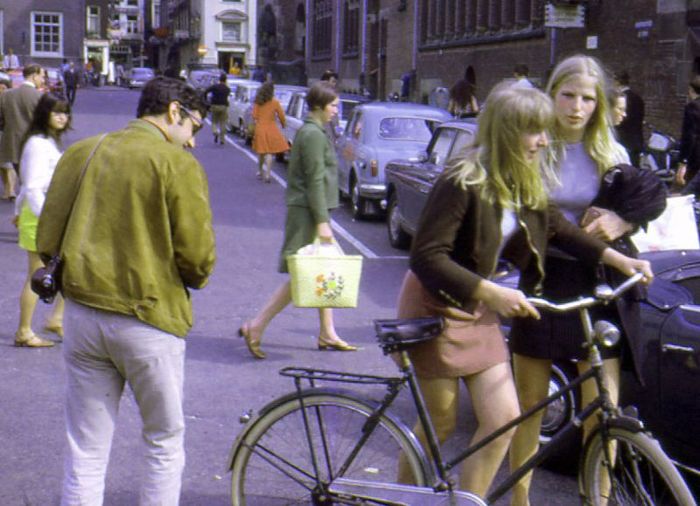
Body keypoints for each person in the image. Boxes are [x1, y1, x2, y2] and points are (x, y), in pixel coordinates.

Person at [394, 82, 652, 498]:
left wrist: (621, 261)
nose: (545, 141)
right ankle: (402, 498)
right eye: (536, 131)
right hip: (436, 307)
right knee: (440, 423)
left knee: (503, 420)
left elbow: (560, 230)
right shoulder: (463, 178)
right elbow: (426, 257)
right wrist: (492, 293)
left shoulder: (520, 179)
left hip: (478, 310)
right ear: (507, 130)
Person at [36, 76, 215, 504]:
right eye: (195, 128)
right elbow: (198, 259)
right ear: (175, 112)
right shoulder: (176, 165)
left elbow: (47, 241)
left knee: (86, 447)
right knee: (163, 440)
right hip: (149, 318)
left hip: (82, 314)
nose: (192, 141)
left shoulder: (83, 151)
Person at [508, 55, 658, 506]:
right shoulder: (532, 145)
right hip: (545, 278)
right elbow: (529, 216)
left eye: (588, 98)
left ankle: (599, 498)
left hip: (595, 285)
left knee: (603, 410)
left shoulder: (612, 152)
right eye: (567, 95)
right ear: (551, 95)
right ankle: (520, 500)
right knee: (530, 407)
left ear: (601, 103)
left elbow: (642, 201)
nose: (576, 107)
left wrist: (622, 221)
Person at [239, 82, 357, 359]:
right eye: (333, 106)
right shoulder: (313, 134)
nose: (337, 111)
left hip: (309, 209)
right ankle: (255, 326)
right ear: (318, 106)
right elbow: (315, 179)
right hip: (307, 211)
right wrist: (322, 220)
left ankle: (327, 332)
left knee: (319, 267)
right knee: (303, 273)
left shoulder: (314, 130)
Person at [13, 93, 71, 347]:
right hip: (40, 215)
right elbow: (33, 187)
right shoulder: (38, 144)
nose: (62, 117)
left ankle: (55, 319)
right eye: (56, 112)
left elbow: (27, 187)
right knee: (37, 275)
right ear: (44, 114)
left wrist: (17, 210)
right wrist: (46, 219)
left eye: (65, 112)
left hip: (40, 213)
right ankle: (24, 331)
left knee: (65, 268)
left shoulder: (46, 141)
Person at [0, 63, 44, 200]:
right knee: (33, 182)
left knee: (24, 178)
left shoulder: (6, 95)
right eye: (42, 77)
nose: (43, 80)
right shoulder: (40, 97)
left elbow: (1, 120)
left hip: (13, 143)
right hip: (34, 144)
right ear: (34, 76)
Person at [251, 81, 288, 182]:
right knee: (269, 152)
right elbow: (281, 115)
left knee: (261, 152)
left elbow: (254, 116)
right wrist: (284, 124)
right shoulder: (275, 102)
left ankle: (260, 170)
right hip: (271, 128)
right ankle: (267, 174)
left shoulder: (258, 102)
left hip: (260, 128)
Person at [614, 70, 645, 167]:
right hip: (636, 141)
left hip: (623, 141)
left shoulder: (620, 99)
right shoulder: (638, 98)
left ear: (618, 81)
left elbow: (622, 122)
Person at [676, 76, 700, 193]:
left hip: (696, 157)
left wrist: (683, 163)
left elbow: (689, 136)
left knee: (688, 193)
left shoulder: (692, 107)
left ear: (691, 90)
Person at [204, 73, 231, 145]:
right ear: (225, 80)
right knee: (223, 123)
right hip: (224, 106)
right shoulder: (227, 89)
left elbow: (206, 91)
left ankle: (215, 131)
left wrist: (206, 100)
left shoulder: (215, 87)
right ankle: (222, 139)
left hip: (215, 105)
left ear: (219, 79)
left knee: (214, 121)